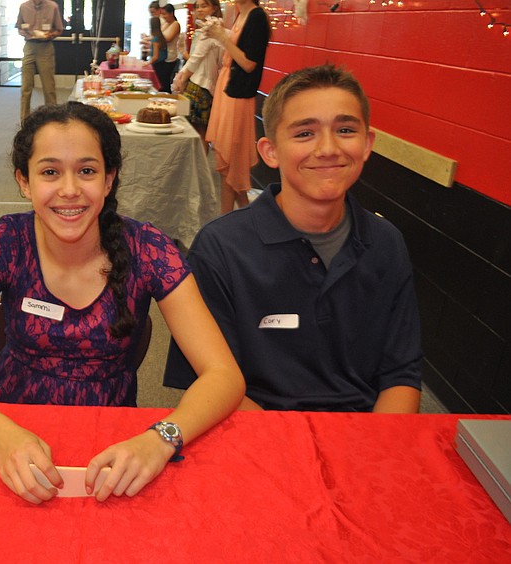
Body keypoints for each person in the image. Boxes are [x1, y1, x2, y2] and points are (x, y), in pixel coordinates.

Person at [0, 102, 246, 504]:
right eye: (50, 172)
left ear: (109, 180)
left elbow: (223, 375)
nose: (69, 190)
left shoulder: (148, 248)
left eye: (86, 171)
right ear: (24, 180)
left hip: (112, 442)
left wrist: (161, 439)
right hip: (4, 426)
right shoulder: (6, 241)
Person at [164, 64, 423, 413]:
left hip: (363, 438)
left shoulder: (386, 243)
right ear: (270, 151)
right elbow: (211, 383)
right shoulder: (221, 248)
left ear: (367, 144)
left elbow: (401, 375)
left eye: (345, 129)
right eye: (304, 134)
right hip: (260, 436)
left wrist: (372, 454)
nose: (328, 148)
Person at [204, 0, 270, 212]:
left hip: (238, 94)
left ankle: (227, 221)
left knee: (231, 163)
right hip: (228, 88)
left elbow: (249, 63)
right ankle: (245, 218)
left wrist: (222, 37)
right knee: (228, 163)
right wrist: (220, 34)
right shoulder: (241, 13)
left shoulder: (257, 16)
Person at [172, 0, 224, 142]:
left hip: (201, 84)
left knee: (197, 131)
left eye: (204, 6)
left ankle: (199, 163)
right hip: (201, 82)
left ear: (214, 8)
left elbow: (196, 59)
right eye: (197, 7)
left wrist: (180, 79)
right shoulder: (203, 30)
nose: (199, 10)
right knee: (197, 130)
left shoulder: (211, 29)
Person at [16, 0, 63, 121]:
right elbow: (19, 27)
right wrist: (23, 32)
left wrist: (50, 34)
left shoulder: (52, 7)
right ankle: (24, 120)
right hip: (29, 46)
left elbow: (59, 29)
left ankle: (52, 119)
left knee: (49, 87)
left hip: (45, 47)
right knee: (26, 86)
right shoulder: (24, 6)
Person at [155, 3, 180, 93]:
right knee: (159, 83)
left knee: (164, 84)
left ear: (171, 13)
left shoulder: (175, 24)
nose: (163, 16)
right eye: (162, 14)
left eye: (165, 14)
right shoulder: (166, 24)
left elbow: (167, 39)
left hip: (169, 58)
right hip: (160, 57)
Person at [145, 16, 167, 86]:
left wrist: (147, 63)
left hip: (157, 66)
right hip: (163, 64)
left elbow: (155, 56)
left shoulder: (155, 39)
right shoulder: (161, 37)